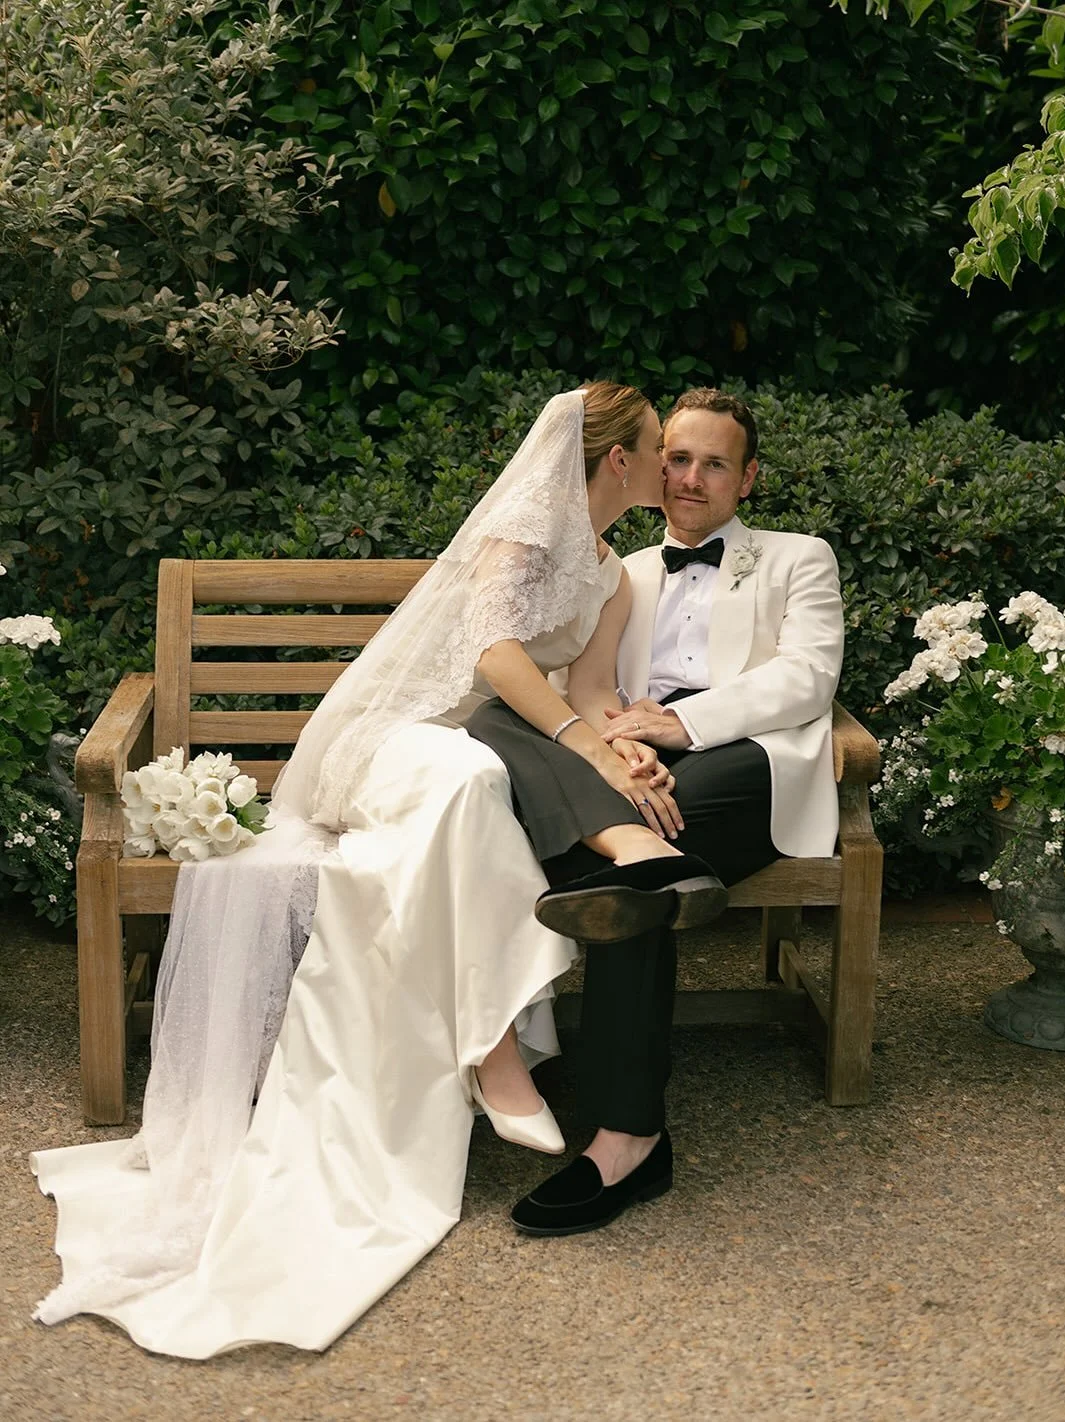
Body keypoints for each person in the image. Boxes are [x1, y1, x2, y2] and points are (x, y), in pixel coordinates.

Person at [30, 384, 724, 1358]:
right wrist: (584, 747)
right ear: (620, 459)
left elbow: (591, 687)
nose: (673, 467)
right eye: (661, 449)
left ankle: (496, 1029)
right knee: (471, 778)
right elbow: (496, 659)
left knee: (483, 782)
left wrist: (626, 748)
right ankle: (491, 1043)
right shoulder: (522, 536)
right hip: (397, 739)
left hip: (501, 755)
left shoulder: (613, 579)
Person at [467, 387, 845, 1236]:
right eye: (676, 458)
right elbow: (588, 691)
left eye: (714, 464)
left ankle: (613, 1130)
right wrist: (625, 744)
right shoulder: (621, 570)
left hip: (747, 764)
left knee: (617, 873)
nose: (689, 478)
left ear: (747, 478)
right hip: (633, 769)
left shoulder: (799, 558)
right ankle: (630, 1138)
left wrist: (683, 725)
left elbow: (807, 678)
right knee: (630, 878)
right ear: (650, 462)